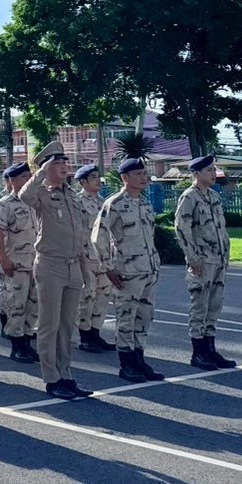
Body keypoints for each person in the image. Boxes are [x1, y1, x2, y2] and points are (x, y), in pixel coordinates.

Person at [20, 142, 97, 400]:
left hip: (73, 264)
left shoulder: (72, 195)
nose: (65, 167)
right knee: (49, 325)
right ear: (47, 167)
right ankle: (51, 378)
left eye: (65, 162)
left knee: (66, 326)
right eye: (58, 163)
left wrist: (86, 271)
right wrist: (40, 172)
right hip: (50, 265)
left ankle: (66, 375)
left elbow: (81, 237)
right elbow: (24, 196)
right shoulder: (41, 193)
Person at [95, 159, 165, 383]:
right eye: (138, 174)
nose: (144, 178)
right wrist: (107, 267)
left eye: (145, 174)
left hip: (148, 269)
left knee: (144, 317)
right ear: (125, 178)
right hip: (126, 272)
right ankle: (127, 364)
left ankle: (139, 359)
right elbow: (98, 237)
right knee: (126, 317)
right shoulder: (114, 204)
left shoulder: (145, 204)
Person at [174, 155, 237, 370]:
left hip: (218, 260)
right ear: (196, 174)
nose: (213, 173)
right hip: (201, 261)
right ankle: (198, 352)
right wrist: (192, 257)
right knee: (199, 306)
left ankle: (210, 349)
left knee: (214, 306)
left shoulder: (214, 197)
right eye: (209, 170)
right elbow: (182, 229)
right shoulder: (189, 197)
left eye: (213, 169)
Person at [0, 163, 39, 363]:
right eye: (23, 177)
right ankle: (17, 346)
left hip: (35, 262)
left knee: (33, 305)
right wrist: (3, 258)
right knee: (16, 305)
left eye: (29, 176)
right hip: (15, 263)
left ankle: (26, 342)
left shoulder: (34, 201)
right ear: (12, 180)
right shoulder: (5, 203)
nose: (28, 180)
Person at [73, 164, 116, 354]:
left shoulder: (103, 203)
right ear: (83, 182)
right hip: (85, 257)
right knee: (87, 296)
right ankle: (85, 337)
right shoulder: (76, 202)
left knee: (103, 295)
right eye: (93, 178)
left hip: (103, 258)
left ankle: (96, 333)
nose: (98, 181)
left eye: (99, 177)